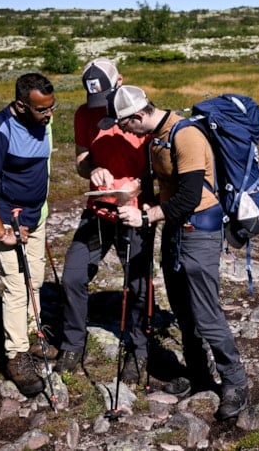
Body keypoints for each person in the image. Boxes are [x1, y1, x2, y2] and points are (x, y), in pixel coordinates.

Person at [106, 85, 250, 420]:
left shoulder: (186, 136)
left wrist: (146, 216)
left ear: (139, 115)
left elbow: (189, 197)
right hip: (176, 231)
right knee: (184, 311)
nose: (123, 131)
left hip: (200, 230)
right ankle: (198, 375)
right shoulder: (158, 137)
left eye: (125, 124)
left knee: (206, 313)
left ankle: (236, 383)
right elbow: (169, 192)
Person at [55, 58, 153, 385]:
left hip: (135, 211)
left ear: (120, 81)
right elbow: (82, 163)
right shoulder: (84, 114)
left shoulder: (139, 111)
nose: (101, 108)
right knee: (72, 275)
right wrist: (93, 169)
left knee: (137, 282)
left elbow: (159, 169)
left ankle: (139, 351)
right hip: (98, 209)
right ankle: (72, 345)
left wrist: (138, 187)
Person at [0, 72, 59, 397]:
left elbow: (43, 166)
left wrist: (42, 209)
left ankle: (35, 333)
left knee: (35, 279)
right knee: (16, 286)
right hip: (11, 222)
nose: (49, 115)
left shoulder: (45, 121)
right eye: (41, 110)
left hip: (37, 218)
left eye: (52, 107)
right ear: (22, 105)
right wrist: (2, 230)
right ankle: (16, 356)